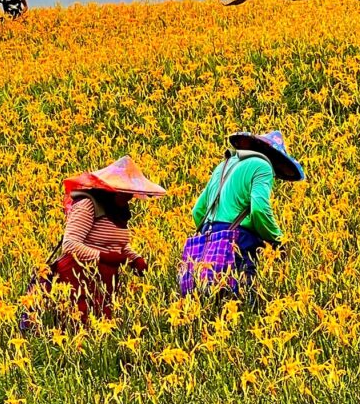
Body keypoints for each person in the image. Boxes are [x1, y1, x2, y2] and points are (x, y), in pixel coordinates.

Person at [181, 130, 303, 296]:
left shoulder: (222, 166)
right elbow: (259, 209)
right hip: (239, 241)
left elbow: (198, 211)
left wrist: (213, 235)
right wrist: (277, 240)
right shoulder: (262, 166)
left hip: (208, 239)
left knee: (209, 299)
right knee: (243, 298)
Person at [49, 156, 166, 322]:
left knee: (102, 325)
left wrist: (135, 259)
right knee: (80, 325)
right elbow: (69, 244)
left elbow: (120, 245)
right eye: (124, 191)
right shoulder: (87, 204)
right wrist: (103, 257)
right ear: (111, 189)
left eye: (131, 192)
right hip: (78, 276)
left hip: (104, 278)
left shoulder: (119, 210)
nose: (130, 197)